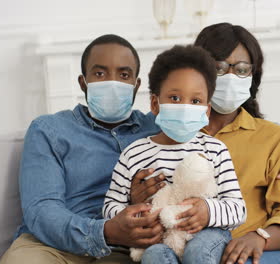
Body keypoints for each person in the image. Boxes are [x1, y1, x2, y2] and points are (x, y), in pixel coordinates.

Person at [0, 32, 280, 264]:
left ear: (136, 86)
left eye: (123, 75)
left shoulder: (171, 128)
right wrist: (111, 227)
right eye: (99, 73)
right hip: (64, 243)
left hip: (135, 246)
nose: (112, 82)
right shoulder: (51, 130)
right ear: (83, 83)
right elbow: (42, 210)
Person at [132, 23, 280, 264]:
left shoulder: (272, 137)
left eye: (242, 69)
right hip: (178, 247)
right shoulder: (169, 127)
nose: (231, 77)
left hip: (248, 252)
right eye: (219, 67)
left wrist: (259, 237)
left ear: (253, 77)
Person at [103, 45, 246, 263]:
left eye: (195, 101)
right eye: (175, 98)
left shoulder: (215, 150)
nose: (185, 107)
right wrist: (137, 216)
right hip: (159, 240)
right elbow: (110, 207)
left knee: (198, 251)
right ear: (155, 103)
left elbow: (238, 209)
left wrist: (208, 211)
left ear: (206, 111)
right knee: (153, 256)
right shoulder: (134, 154)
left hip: (207, 235)